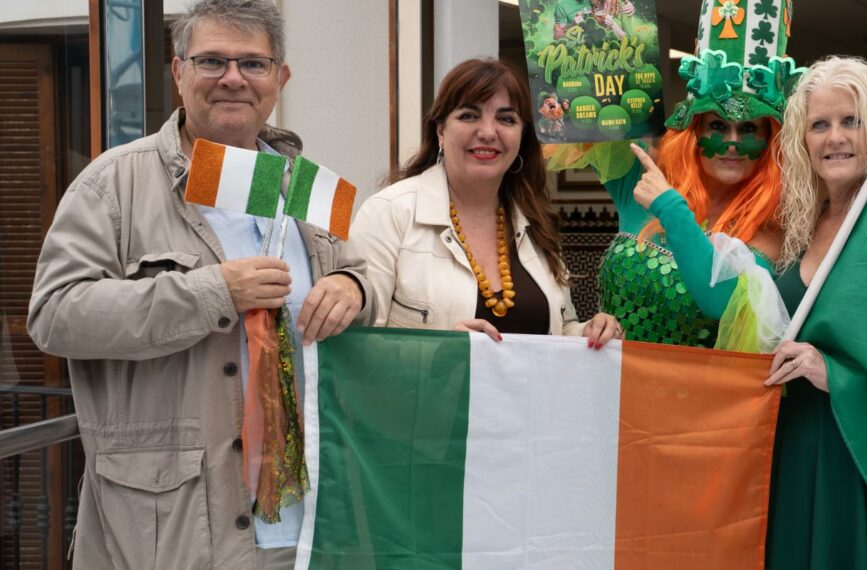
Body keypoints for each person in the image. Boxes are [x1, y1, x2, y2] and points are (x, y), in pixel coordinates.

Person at [26, 1, 374, 568]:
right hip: (175, 531)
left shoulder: (301, 184)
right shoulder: (115, 182)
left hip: (308, 525)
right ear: (179, 72)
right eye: (212, 60)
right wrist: (212, 293)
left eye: (253, 64)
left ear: (280, 78)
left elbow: (358, 277)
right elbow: (56, 315)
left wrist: (356, 290)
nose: (233, 78)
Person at [760, 56, 867, 568]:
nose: (835, 137)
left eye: (850, 120)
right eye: (820, 124)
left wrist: (832, 372)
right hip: (792, 451)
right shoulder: (798, 230)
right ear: (801, 140)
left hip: (865, 463)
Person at [550, 0, 794, 349]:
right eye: (717, 126)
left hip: (693, 400)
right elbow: (583, 105)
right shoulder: (643, 178)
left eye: (749, 129)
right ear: (693, 132)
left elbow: (721, 302)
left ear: (770, 141)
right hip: (608, 390)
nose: (732, 143)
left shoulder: (770, 229)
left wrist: (670, 208)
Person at [352, 58, 620, 345]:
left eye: (506, 119)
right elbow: (355, 345)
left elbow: (559, 330)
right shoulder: (389, 212)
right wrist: (439, 355)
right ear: (441, 131)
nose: (488, 132)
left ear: (521, 137)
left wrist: (589, 332)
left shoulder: (536, 223)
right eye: (469, 115)